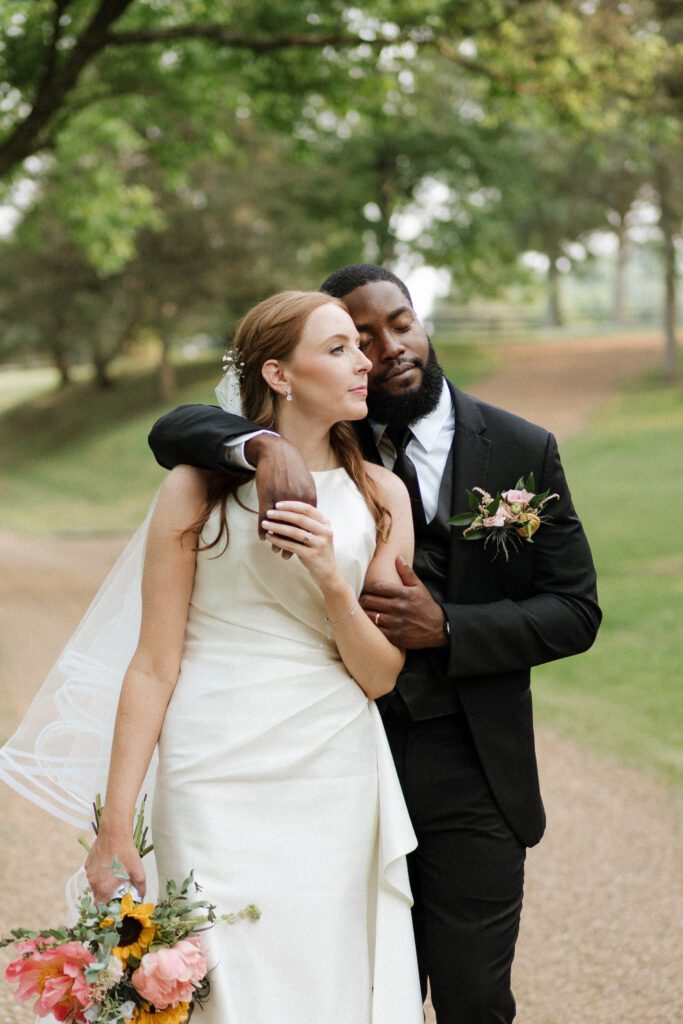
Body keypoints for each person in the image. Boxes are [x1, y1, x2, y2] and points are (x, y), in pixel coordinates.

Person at [148, 264, 602, 1024]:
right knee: (350, 985)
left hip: (467, 761)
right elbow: (177, 428)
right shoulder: (324, 427)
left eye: (400, 322)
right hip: (341, 750)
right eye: (359, 337)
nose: (387, 348)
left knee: (474, 996)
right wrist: (262, 446)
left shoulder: (521, 448)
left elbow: (574, 610)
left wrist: (449, 625)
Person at [2, 291, 423, 1024]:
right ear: (279, 375)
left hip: (331, 765)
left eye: (360, 347)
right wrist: (113, 823)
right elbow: (153, 664)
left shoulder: (382, 495)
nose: (365, 362)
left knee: (324, 974)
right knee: (223, 982)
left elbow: (380, 675)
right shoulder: (195, 487)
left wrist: (330, 577)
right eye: (338, 348)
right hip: (210, 764)